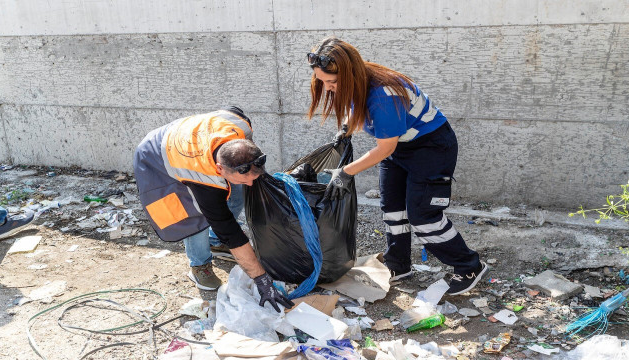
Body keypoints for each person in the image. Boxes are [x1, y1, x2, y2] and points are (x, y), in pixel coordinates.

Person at [306, 37, 488, 295]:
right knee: (392, 208)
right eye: (322, 81)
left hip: (431, 148)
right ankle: (398, 265)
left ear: (349, 74)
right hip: (400, 146)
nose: (328, 88)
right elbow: (355, 106)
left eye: (332, 83)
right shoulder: (357, 80)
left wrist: (345, 173)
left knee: (423, 216)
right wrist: (345, 128)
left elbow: (384, 149)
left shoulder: (383, 94)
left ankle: (469, 266)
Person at [133, 107, 293, 312]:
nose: (251, 184)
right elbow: (229, 229)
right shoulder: (201, 177)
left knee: (236, 192)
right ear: (219, 169)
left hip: (194, 136)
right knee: (194, 217)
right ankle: (199, 265)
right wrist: (262, 280)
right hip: (157, 156)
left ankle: (215, 242)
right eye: (245, 178)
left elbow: (233, 115)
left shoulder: (240, 127)